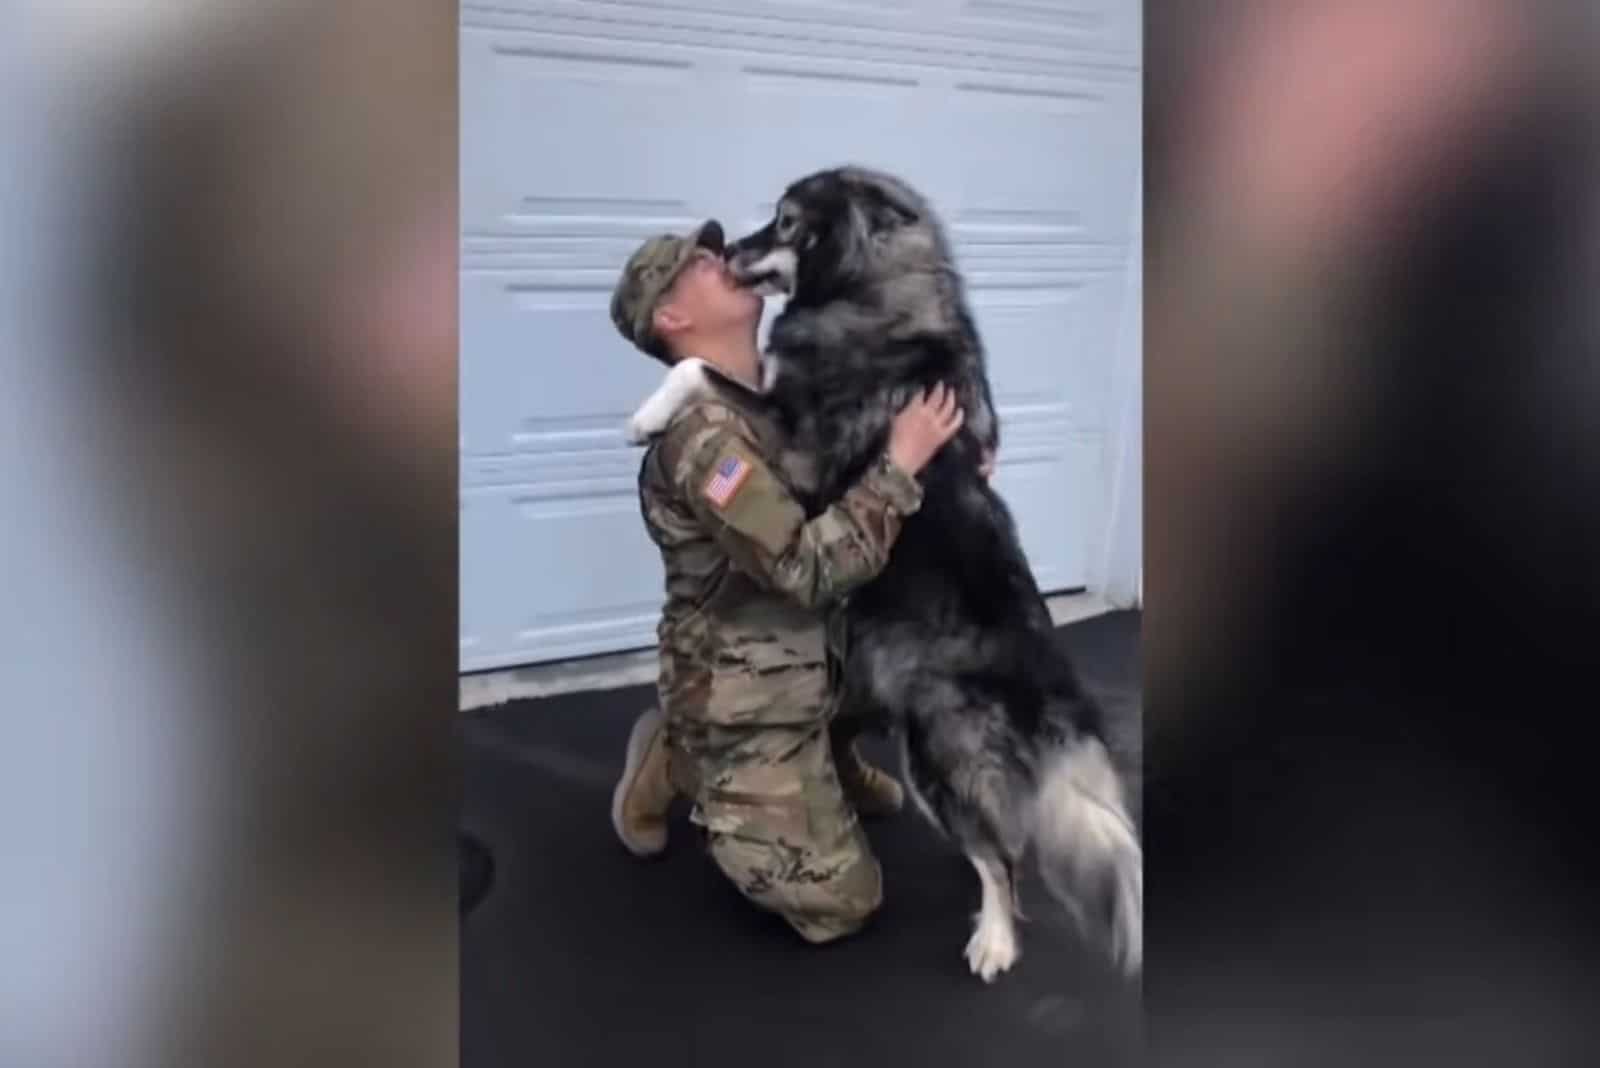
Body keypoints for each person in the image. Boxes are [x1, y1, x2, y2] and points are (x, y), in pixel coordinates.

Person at [607, 219, 966, 943]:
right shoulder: (706, 442)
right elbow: (807, 569)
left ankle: (824, 750)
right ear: (672, 318)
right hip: (750, 688)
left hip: (822, 645)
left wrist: (943, 467)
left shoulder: (770, 392)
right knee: (841, 905)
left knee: (937, 661)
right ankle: (685, 754)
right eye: (698, 265)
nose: (722, 258)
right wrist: (899, 467)